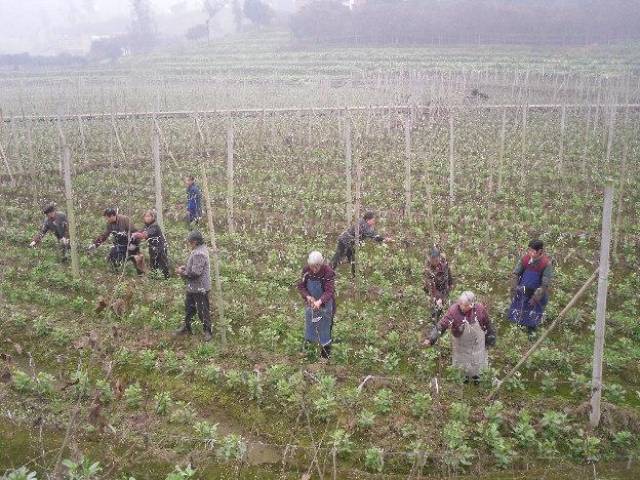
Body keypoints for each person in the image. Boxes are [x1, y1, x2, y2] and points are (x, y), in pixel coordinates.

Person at [424, 291, 496, 382]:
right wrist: (431, 338)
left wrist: (491, 336)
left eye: (465, 305)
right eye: (461, 304)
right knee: (462, 362)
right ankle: (463, 376)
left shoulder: (479, 309)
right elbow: (442, 325)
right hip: (461, 343)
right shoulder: (453, 311)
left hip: (477, 343)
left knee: (477, 360)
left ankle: (477, 377)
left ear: (472, 304)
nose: (462, 307)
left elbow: (487, 323)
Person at [508, 239, 554, 337]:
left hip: (536, 293)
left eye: (533, 251)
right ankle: (518, 332)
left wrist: (535, 298)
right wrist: (514, 288)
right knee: (519, 313)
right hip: (523, 291)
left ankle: (531, 334)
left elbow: (544, 285)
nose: (530, 253)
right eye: (529, 250)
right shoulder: (525, 259)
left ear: (540, 251)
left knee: (532, 316)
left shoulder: (546, 264)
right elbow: (515, 274)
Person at [297, 251, 336, 360]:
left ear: (321, 264)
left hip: (325, 305)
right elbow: (301, 286)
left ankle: (325, 356)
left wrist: (320, 302)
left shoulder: (328, 272)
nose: (314, 269)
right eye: (312, 266)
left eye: (316, 267)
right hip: (311, 305)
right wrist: (308, 297)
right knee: (310, 326)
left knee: (325, 329)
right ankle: (307, 350)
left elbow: (329, 291)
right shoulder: (306, 271)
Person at [175, 231, 212, 341]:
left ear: (195, 242)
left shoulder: (199, 253)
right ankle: (186, 327)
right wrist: (185, 268)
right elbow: (193, 267)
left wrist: (181, 272)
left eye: (190, 242)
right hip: (193, 287)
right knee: (189, 308)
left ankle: (207, 332)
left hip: (200, 288)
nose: (189, 244)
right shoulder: (199, 249)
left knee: (202, 311)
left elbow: (195, 273)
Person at [331, 211, 392, 276]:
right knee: (338, 257)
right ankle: (330, 272)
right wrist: (384, 239)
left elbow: (371, 233)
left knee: (352, 257)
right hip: (345, 241)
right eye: (373, 220)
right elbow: (372, 235)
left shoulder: (363, 223)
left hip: (350, 242)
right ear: (368, 219)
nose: (374, 222)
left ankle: (354, 274)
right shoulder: (363, 225)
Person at [87, 208, 143, 275]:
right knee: (112, 256)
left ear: (112, 216)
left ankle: (140, 274)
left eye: (107, 218)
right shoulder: (109, 223)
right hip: (119, 242)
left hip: (130, 241)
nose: (106, 220)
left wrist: (134, 243)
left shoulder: (124, 219)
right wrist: (95, 244)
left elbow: (134, 232)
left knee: (134, 258)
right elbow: (105, 235)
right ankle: (116, 274)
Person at [132, 209, 170, 278]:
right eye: (146, 216)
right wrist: (133, 234)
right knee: (153, 265)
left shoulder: (155, 226)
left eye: (149, 216)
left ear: (153, 217)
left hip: (161, 248)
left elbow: (144, 235)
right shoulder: (146, 226)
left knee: (163, 266)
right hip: (152, 248)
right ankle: (154, 281)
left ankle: (166, 281)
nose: (147, 218)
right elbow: (140, 233)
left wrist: (136, 234)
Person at [423, 246, 454, 323]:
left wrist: (451, 282)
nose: (435, 262)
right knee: (436, 304)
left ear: (439, 257)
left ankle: (442, 314)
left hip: (443, 284)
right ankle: (434, 318)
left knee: (444, 301)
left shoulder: (443, 261)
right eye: (433, 260)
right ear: (430, 259)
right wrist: (438, 298)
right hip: (433, 288)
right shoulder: (428, 270)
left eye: (437, 259)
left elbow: (448, 271)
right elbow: (431, 286)